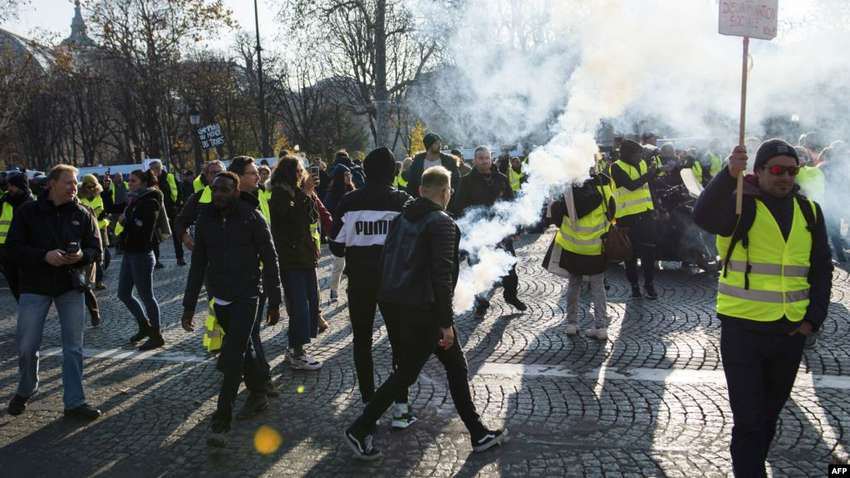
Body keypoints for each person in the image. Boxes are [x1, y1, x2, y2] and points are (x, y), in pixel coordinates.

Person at [344, 166, 507, 460]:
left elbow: (387, 259)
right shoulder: (442, 223)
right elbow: (442, 276)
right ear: (445, 192)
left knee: (449, 367)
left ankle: (478, 432)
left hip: (396, 303)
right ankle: (360, 428)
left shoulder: (402, 217)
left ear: (420, 190)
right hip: (424, 310)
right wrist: (445, 323)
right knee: (409, 373)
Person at [693, 140, 832, 477]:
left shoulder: (810, 212)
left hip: (790, 331)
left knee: (768, 417)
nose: (785, 177)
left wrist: (812, 320)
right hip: (743, 329)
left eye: (792, 171)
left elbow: (821, 269)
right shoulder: (741, 204)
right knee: (749, 420)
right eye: (777, 170)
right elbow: (703, 215)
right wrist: (728, 174)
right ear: (759, 171)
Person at [181, 172, 283, 442]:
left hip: (248, 294)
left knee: (233, 353)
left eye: (225, 189)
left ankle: (221, 421)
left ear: (236, 192)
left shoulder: (252, 217)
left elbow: (270, 259)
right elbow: (198, 265)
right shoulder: (205, 220)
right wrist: (189, 306)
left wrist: (275, 300)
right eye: (215, 189)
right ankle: (259, 390)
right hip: (221, 297)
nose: (218, 194)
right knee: (244, 346)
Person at [6, 164, 102, 420]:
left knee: (73, 348)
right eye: (69, 182)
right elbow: (12, 248)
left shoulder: (83, 212)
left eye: (76, 182)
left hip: (70, 286)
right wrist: (44, 256)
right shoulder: (28, 211)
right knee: (27, 346)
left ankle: (75, 402)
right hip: (35, 285)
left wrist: (81, 256)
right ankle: (26, 388)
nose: (75, 187)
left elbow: (96, 249)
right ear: (51, 184)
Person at [330, 147, 417, 429]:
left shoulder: (349, 201)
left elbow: (336, 246)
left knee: (362, 342)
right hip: (394, 282)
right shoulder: (403, 201)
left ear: (365, 171)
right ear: (393, 172)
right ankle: (401, 408)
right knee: (400, 343)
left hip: (360, 281)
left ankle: (369, 405)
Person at [451, 146, 527, 318]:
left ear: (491, 159)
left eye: (487, 158)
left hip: (501, 232)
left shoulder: (501, 179)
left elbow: (511, 204)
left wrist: (516, 227)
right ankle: (481, 304)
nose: (484, 161)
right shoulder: (466, 181)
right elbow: (459, 207)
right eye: (481, 158)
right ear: (474, 160)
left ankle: (511, 296)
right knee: (478, 270)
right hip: (477, 234)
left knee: (510, 267)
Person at [542, 168, 615, 340]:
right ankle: (601, 327)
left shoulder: (566, 190)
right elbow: (613, 212)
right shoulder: (604, 185)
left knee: (574, 284)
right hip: (596, 246)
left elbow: (555, 216)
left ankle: (571, 324)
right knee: (598, 287)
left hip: (572, 247)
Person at [269, 156, 323, 370]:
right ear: (289, 172)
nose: (302, 174)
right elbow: (289, 220)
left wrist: (308, 194)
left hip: (306, 256)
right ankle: (296, 351)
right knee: (299, 304)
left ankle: (298, 347)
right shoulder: (279, 194)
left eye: (303, 170)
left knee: (312, 301)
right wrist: (304, 193)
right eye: (299, 170)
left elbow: (312, 218)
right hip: (291, 258)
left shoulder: (298, 192)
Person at [226, 156, 274, 391]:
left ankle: (260, 380)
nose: (258, 176)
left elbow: (267, 247)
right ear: (239, 178)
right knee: (246, 332)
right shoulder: (224, 206)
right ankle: (257, 378)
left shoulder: (257, 199)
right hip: (232, 279)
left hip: (254, 278)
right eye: (252, 173)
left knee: (250, 331)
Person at [116, 170, 165, 351]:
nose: (130, 183)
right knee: (123, 293)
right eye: (129, 180)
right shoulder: (134, 199)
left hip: (142, 254)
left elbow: (144, 229)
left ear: (143, 182)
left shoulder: (150, 200)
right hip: (129, 252)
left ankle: (156, 335)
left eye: (133, 181)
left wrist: (126, 221)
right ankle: (144, 326)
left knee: (147, 296)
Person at [610, 139, 659, 299]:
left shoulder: (642, 164)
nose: (640, 157)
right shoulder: (616, 167)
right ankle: (634, 286)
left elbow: (648, 187)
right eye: (637, 154)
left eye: (640, 154)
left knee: (649, 252)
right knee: (630, 255)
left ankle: (649, 285)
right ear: (627, 154)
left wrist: (656, 207)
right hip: (627, 217)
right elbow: (631, 185)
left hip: (646, 214)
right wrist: (649, 174)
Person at [175, 160, 225, 252]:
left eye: (220, 172)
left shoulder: (236, 194)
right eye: (213, 172)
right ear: (207, 176)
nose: (217, 175)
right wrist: (185, 236)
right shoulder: (197, 197)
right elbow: (180, 221)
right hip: (206, 251)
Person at [323, 165, 356, 301]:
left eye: (349, 174)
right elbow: (329, 214)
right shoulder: (332, 194)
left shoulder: (352, 191)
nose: (349, 177)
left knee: (352, 265)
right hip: (339, 235)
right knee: (339, 264)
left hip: (352, 233)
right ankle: (333, 289)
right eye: (346, 174)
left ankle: (350, 290)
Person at [0, 173, 34, 301]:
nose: (9, 188)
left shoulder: (33, 203)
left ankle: (28, 306)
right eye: (9, 185)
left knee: (27, 284)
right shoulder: (4, 201)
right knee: (13, 282)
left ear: (21, 186)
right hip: (5, 250)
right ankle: (22, 304)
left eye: (12, 186)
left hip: (26, 249)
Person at [404, 132, 460, 201]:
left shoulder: (449, 160)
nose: (439, 145)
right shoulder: (418, 161)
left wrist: (451, 190)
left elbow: (456, 180)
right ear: (429, 145)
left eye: (440, 143)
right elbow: (412, 182)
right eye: (436, 143)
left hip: (443, 200)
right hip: (422, 201)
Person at [148, 160, 184, 267]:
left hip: (171, 210)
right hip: (156, 212)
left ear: (160, 168)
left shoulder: (170, 177)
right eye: (151, 169)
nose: (153, 171)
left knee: (177, 235)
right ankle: (156, 261)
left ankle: (180, 258)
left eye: (155, 168)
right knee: (154, 237)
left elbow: (179, 191)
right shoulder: (149, 180)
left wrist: (177, 205)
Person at [78, 175, 111, 290]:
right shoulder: (79, 197)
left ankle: (98, 280)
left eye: (93, 186)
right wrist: (95, 215)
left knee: (104, 256)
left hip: (101, 229)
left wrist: (103, 215)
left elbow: (104, 208)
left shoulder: (99, 195)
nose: (92, 189)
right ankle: (90, 281)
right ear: (84, 186)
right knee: (90, 256)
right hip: (87, 231)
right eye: (89, 186)